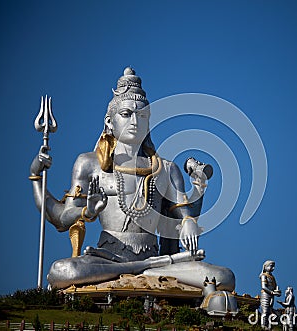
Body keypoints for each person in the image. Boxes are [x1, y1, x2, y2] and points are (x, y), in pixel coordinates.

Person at [29, 67, 235, 290]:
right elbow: (62, 217)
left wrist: (187, 223)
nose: (135, 121)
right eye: (126, 114)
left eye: (142, 115)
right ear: (109, 122)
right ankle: (138, 268)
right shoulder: (89, 164)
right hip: (105, 258)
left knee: (224, 277)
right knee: (63, 270)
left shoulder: (166, 168)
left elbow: (184, 215)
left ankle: (141, 267)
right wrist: (82, 209)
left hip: (158, 260)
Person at [259, 260, 281, 329]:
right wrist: (272, 292)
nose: (273, 268)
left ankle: (268, 325)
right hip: (265, 295)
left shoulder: (272, 277)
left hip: (271, 296)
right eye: (271, 266)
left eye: (273, 266)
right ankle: (263, 326)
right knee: (265, 311)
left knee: (269, 311)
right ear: (265, 267)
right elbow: (264, 287)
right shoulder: (264, 276)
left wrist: (277, 292)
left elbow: (275, 287)